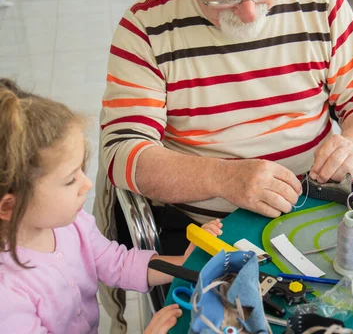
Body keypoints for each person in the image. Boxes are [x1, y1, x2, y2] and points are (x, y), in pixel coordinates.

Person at [95, 0, 353, 331]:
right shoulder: (145, 28)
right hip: (208, 234)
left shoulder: (322, 0)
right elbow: (122, 153)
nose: (251, 13)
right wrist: (223, 177)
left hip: (315, 206)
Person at [0, 79, 223, 333]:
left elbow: (118, 263)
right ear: (9, 207)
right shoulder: (7, 298)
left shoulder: (72, 224)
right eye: (70, 179)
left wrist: (182, 263)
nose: (86, 185)